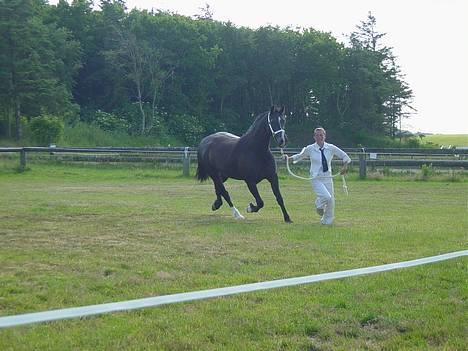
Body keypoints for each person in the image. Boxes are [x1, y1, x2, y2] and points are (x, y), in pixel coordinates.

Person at [284, 127, 351, 225]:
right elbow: (299, 156)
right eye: (317, 135)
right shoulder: (310, 148)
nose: (320, 137)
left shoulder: (331, 147)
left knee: (331, 201)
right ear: (314, 137)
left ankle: (327, 221)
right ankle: (318, 204)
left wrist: (345, 167)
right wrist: (287, 158)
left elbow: (345, 156)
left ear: (325, 136)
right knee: (326, 197)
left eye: (321, 135)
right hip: (315, 178)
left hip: (327, 177)